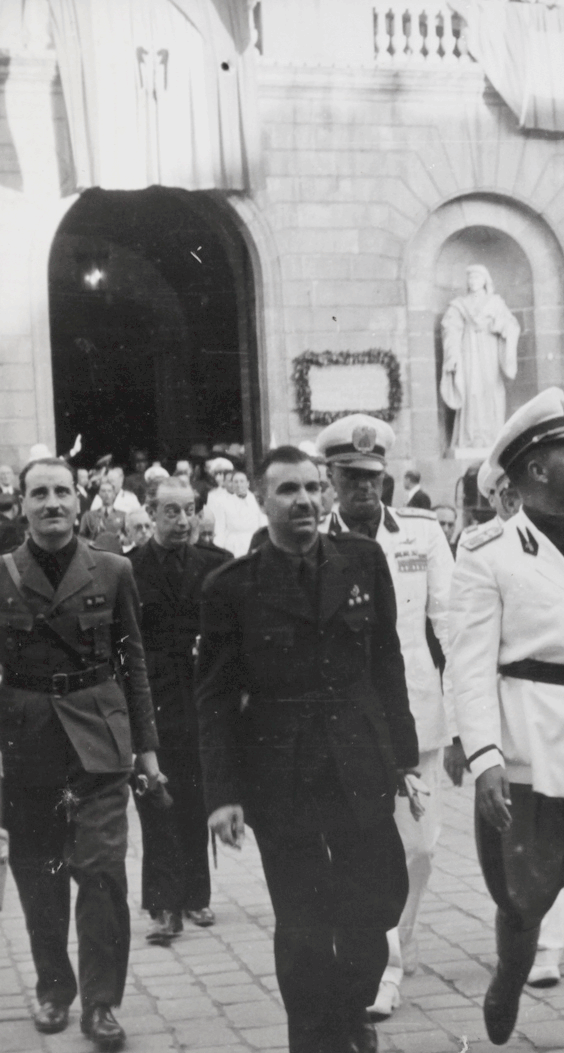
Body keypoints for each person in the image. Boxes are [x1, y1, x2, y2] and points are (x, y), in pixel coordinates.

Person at [196, 445, 418, 1053]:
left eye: (313, 488)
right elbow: (214, 699)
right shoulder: (231, 587)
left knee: (376, 906)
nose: (305, 501)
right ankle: (316, 1041)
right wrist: (222, 796)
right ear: (261, 500)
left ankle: (349, 1012)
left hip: (359, 760)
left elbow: (386, 661)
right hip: (280, 772)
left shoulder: (364, 560)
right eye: (288, 490)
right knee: (303, 925)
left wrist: (405, 759)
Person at [446, 388, 564, 1052]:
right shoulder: (488, 551)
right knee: (523, 898)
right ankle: (508, 978)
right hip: (524, 748)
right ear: (535, 468)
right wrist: (483, 755)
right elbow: (469, 662)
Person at [0, 457, 162, 1052]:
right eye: (38, 493)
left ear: (80, 501)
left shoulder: (113, 570)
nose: (51, 504)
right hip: (26, 744)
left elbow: (133, 661)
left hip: (98, 743)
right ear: (22, 505)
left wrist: (147, 749)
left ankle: (101, 1004)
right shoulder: (3, 574)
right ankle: (52, 988)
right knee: (40, 877)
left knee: (100, 873)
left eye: (61, 492)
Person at [316, 415, 456, 1022]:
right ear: (331, 479)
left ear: (386, 477)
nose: (363, 489)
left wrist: (463, 724)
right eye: (350, 477)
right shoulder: (313, 540)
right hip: (346, 726)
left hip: (416, 712)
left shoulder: (421, 535)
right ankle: (386, 967)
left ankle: (402, 940)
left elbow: (448, 624)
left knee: (420, 849)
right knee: (371, 847)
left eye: (372, 477)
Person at [126, 478, 231, 946]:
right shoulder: (128, 568)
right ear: (150, 512)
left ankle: (195, 895)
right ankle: (163, 905)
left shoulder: (217, 565)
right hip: (151, 702)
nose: (183, 521)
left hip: (201, 701)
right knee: (156, 800)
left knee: (196, 795)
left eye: (190, 510)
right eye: (171, 511)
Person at [441, 263, 522, 451]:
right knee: (472, 392)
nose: (473, 281)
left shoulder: (495, 302)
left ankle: (492, 437)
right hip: (468, 353)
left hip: (490, 353)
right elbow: (450, 329)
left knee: (491, 390)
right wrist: (451, 355)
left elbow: (511, 326)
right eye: (470, 278)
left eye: (477, 277)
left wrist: (499, 326)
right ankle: (470, 439)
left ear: (485, 280)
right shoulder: (460, 304)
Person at [79, 479, 126, 550]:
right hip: (95, 552)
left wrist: (122, 539)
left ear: (114, 494)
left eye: (109, 491)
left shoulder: (123, 515)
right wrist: (91, 543)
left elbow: (129, 536)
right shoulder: (89, 515)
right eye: (103, 491)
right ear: (99, 494)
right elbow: (80, 538)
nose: (106, 494)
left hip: (115, 553)